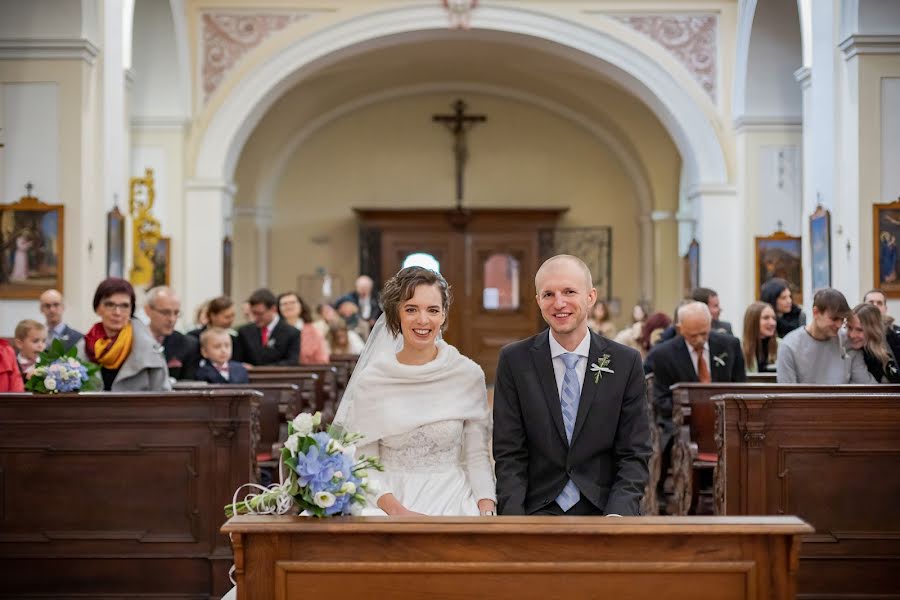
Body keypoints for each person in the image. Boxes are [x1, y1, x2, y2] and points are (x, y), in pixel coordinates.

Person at [493, 254, 650, 516]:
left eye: (569, 291)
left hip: (605, 508)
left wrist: (617, 515)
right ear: (538, 301)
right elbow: (509, 453)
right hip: (537, 509)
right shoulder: (514, 361)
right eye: (548, 294)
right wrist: (514, 522)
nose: (559, 303)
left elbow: (634, 452)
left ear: (590, 297)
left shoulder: (625, 362)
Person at [333, 266, 496, 516]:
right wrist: (397, 512)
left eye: (433, 310)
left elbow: (476, 456)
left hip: (452, 497)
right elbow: (363, 460)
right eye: (411, 309)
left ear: (443, 316)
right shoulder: (373, 380)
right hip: (386, 499)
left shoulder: (467, 375)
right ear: (396, 315)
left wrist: (486, 507)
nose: (423, 320)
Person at [643, 302, 745, 505]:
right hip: (680, 420)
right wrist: (691, 412)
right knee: (674, 436)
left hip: (726, 418)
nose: (699, 340)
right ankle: (667, 491)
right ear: (680, 329)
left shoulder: (729, 345)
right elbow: (660, 398)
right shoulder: (662, 355)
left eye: (704, 334)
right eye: (692, 335)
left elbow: (741, 386)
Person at [82, 278, 171, 391]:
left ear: (131, 310)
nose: (117, 312)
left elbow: (163, 395)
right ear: (98, 308)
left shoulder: (149, 349)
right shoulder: (83, 347)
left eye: (124, 306)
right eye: (110, 304)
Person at [776, 288, 875, 384]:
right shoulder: (789, 346)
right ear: (816, 313)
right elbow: (788, 393)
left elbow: (864, 385)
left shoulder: (848, 341)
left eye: (842, 319)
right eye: (834, 318)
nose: (839, 325)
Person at [232, 289, 300, 367]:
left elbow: (291, 362)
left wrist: (257, 369)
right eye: (253, 313)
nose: (255, 318)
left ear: (273, 309)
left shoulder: (292, 333)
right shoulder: (244, 332)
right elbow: (236, 361)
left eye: (260, 314)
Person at [144, 286, 200, 381]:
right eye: (165, 312)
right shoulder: (131, 340)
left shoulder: (188, 345)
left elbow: (189, 385)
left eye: (176, 313)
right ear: (148, 310)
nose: (172, 319)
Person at [847, 303, 900, 383]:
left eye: (859, 330)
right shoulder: (846, 347)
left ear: (873, 331)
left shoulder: (890, 345)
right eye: (849, 327)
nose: (852, 335)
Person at [277, 292, 329, 365]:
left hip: (307, 373)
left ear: (301, 306)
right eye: (284, 304)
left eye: (292, 302)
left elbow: (322, 360)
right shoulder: (274, 330)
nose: (289, 306)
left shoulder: (314, 331)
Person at [742, 301, 779, 373]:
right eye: (766, 318)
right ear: (752, 321)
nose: (772, 323)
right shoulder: (740, 348)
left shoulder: (782, 346)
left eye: (774, 318)